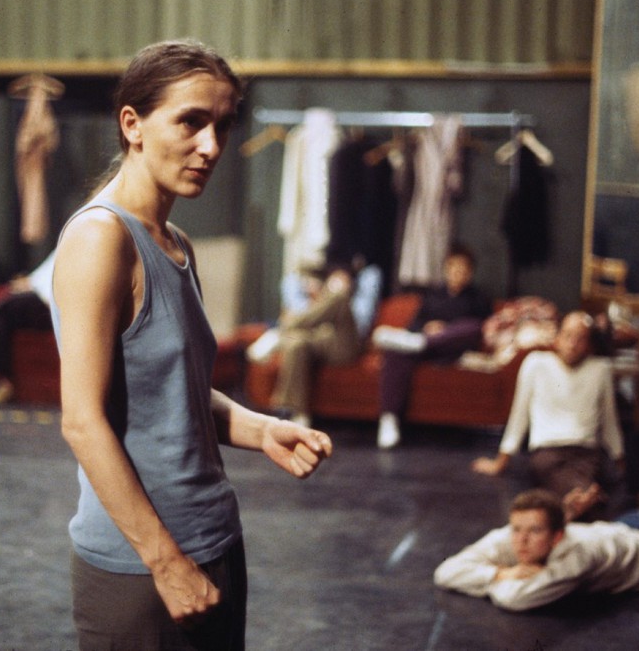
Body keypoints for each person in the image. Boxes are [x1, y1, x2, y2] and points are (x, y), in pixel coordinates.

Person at [50, 40, 333, 650]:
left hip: (212, 539)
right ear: (133, 124)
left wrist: (259, 430)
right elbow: (82, 420)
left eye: (223, 126)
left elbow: (170, 390)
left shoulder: (175, 240)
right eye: (191, 121)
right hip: (143, 567)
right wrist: (165, 564)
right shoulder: (101, 238)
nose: (212, 147)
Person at [433, 488, 639, 612]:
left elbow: (516, 598)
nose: (521, 541)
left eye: (534, 531)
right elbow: (444, 571)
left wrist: (498, 579)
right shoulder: (508, 537)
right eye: (517, 529)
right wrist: (503, 571)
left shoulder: (575, 558)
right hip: (629, 523)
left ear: (557, 536)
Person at [472, 312, 624, 521]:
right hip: (548, 450)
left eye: (580, 338)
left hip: (586, 451)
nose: (573, 344)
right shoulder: (536, 363)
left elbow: (609, 421)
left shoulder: (600, 369)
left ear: (589, 344)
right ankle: (585, 499)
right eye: (568, 336)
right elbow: (519, 415)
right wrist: (500, 461)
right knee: (563, 478)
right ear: (557, 337)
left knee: (590, 476)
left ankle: (579, 503)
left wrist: (620, 458)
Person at [372, 244, 491, 449]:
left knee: (472, 327)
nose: (457, 273)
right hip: (425, 350)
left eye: (463, 269)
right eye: (453, 268)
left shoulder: (478, 298)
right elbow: (413, 325)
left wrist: (446, 331)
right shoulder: (432, 295)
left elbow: (480, 331)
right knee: (397, 350)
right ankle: (389, 420)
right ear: (446, 269)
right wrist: (427, 327)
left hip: (454, 351)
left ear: (470, 273)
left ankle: (421, 343)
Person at [270, 260, 383, 428]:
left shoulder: (357, 294)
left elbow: (366, 283)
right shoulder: (321, 296)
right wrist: (320, 294)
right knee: (297, 343)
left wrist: (340, 288)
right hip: (324, 338)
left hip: (349, 341)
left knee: (338, 297)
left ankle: (280, 332)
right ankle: (299, 414)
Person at [0, 250, 56, 406]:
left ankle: (5, 383)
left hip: (50, 304)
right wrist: (27, 282)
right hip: (37, 296)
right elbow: (40, 276)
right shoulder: (64, 244)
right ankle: (5, 381)